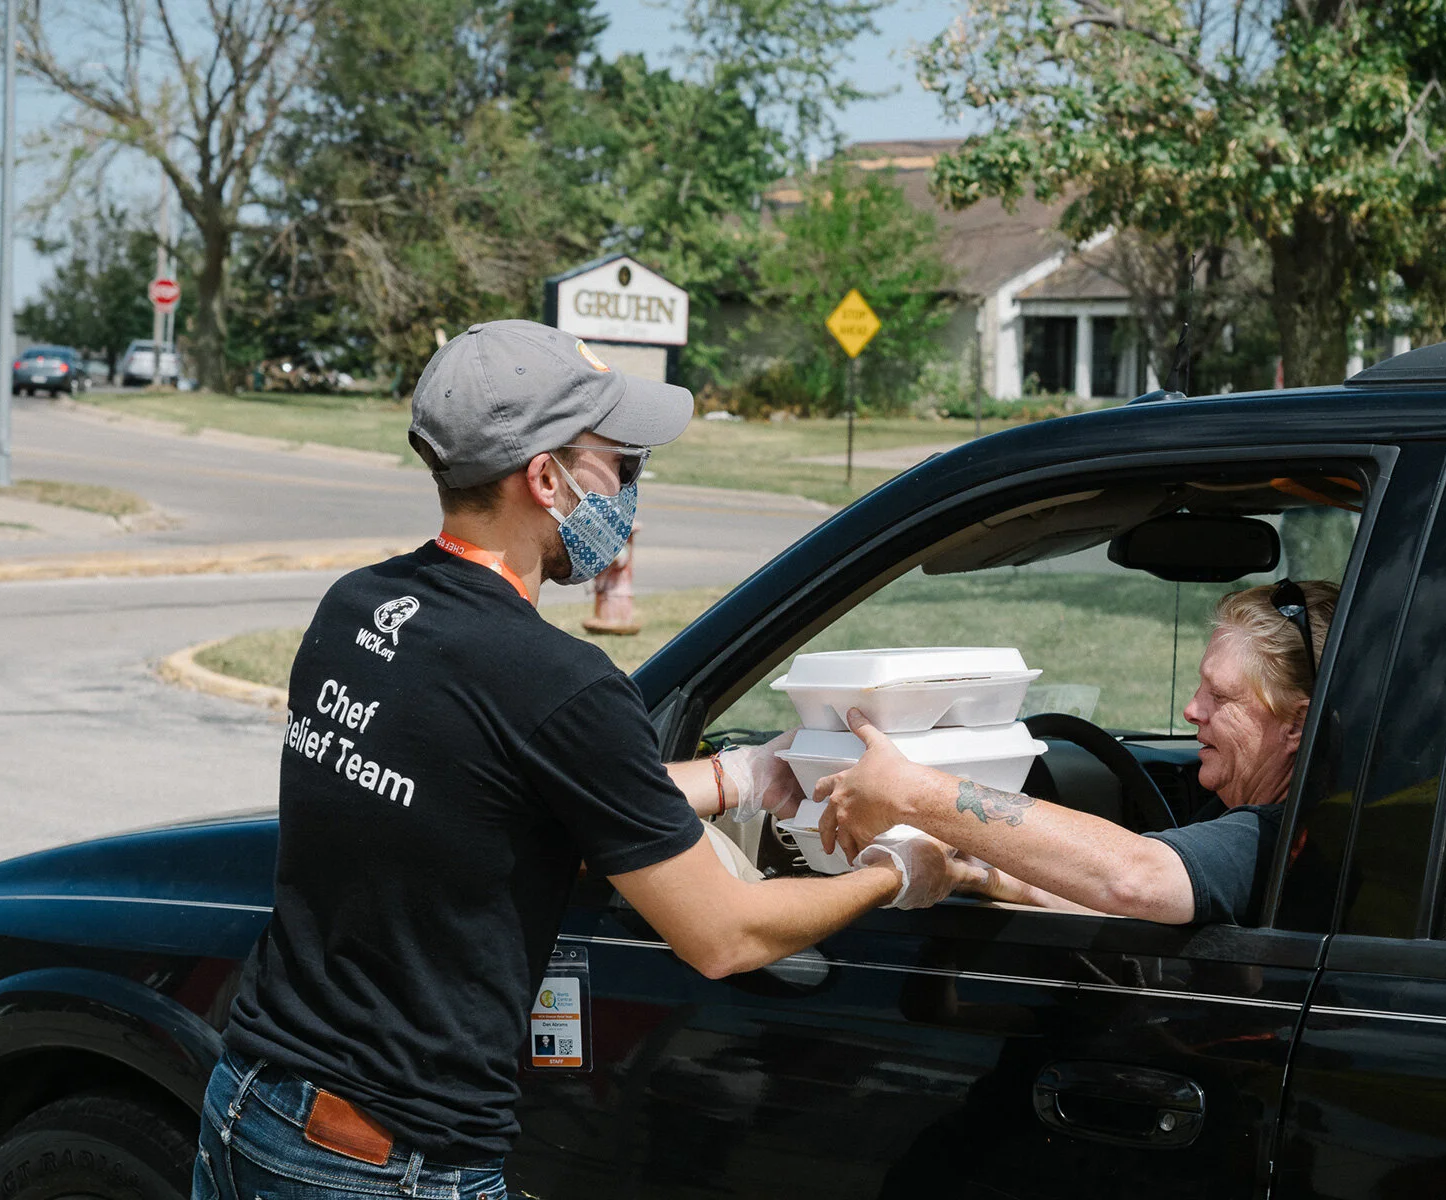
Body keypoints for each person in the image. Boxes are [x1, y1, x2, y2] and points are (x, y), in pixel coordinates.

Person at [194, 321, 978, 1200]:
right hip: (392, 1165)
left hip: (247, 1107)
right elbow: (725, 935)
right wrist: (897, 870)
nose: (633, 491)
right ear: (545, 478)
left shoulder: (358, 609)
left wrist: (737, 777)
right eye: (623, 466)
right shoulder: (561, 683)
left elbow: (479, 799)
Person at [817, 579, 1340, 926]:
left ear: (1298, 724)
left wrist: (910, 790)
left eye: (1220, 697)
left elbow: (1137, 879)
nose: (1190, 710)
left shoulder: (1275, 841)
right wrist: (973, 873)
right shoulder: (1280, 814)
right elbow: (1124, 910)